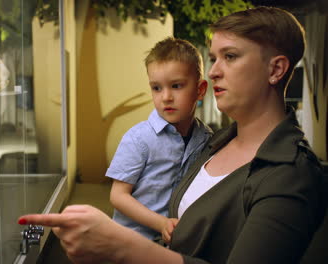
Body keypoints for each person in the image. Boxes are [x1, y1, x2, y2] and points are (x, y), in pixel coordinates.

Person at [18, 6, 327, 264]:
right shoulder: (215, 142)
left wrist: (122, 246)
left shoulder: (291, 172)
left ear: (276, 70)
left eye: (230, 56)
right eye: (214, 58)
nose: (215, 71)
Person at [106, 37, 211, 242]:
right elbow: (118, 196)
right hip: (132, 240)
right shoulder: (138, 139)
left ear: (200, 90)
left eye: (176, 86)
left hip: (177, 241)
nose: (166, 97)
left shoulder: (207, 139)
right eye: (157, 88)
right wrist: (160, 223)